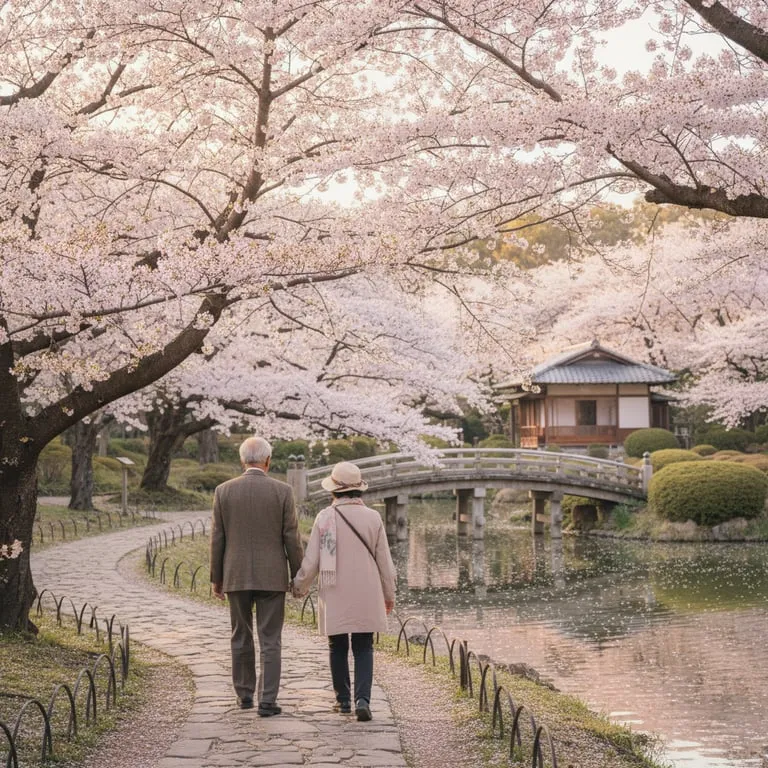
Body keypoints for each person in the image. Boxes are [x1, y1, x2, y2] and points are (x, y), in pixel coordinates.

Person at [292, 461, 396, 722]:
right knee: (364, 646)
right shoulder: (373, 517)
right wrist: (389, 594)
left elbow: (313, 560)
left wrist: (299, 586)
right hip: (366, 589)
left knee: (336, 645)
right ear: (358, 490)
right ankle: (363, 699)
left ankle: (342, 701)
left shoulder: (326, 517)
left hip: (334, 586)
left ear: (334, 490)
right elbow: (385, 562)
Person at [210, 436, 303, 716]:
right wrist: (298, 575)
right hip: (272, 575)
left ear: (242, 460)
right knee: (270, 638)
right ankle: (267, 700)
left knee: (240, 635)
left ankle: (244, 695)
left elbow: (218, 537)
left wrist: (217, 577)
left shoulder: (223, 491)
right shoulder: (283, 491)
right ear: (268, 461)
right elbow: (292, 538)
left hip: (235, 574)